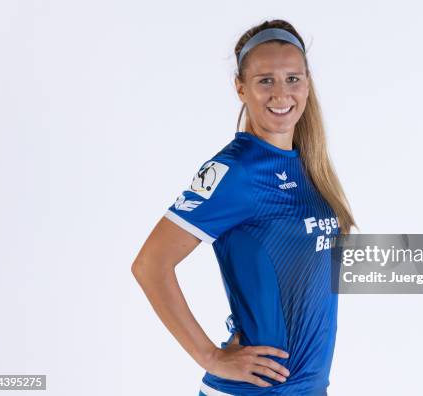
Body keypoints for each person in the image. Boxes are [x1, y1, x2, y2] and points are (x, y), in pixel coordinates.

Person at [132, 19, 356, 395]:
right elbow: (150, 264)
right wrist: (210, 357)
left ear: (307, 82)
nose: (281, 94)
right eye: (265, 80)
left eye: (293, 79)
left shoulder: (310, 168)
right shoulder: (235, 171)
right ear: (241, 88)